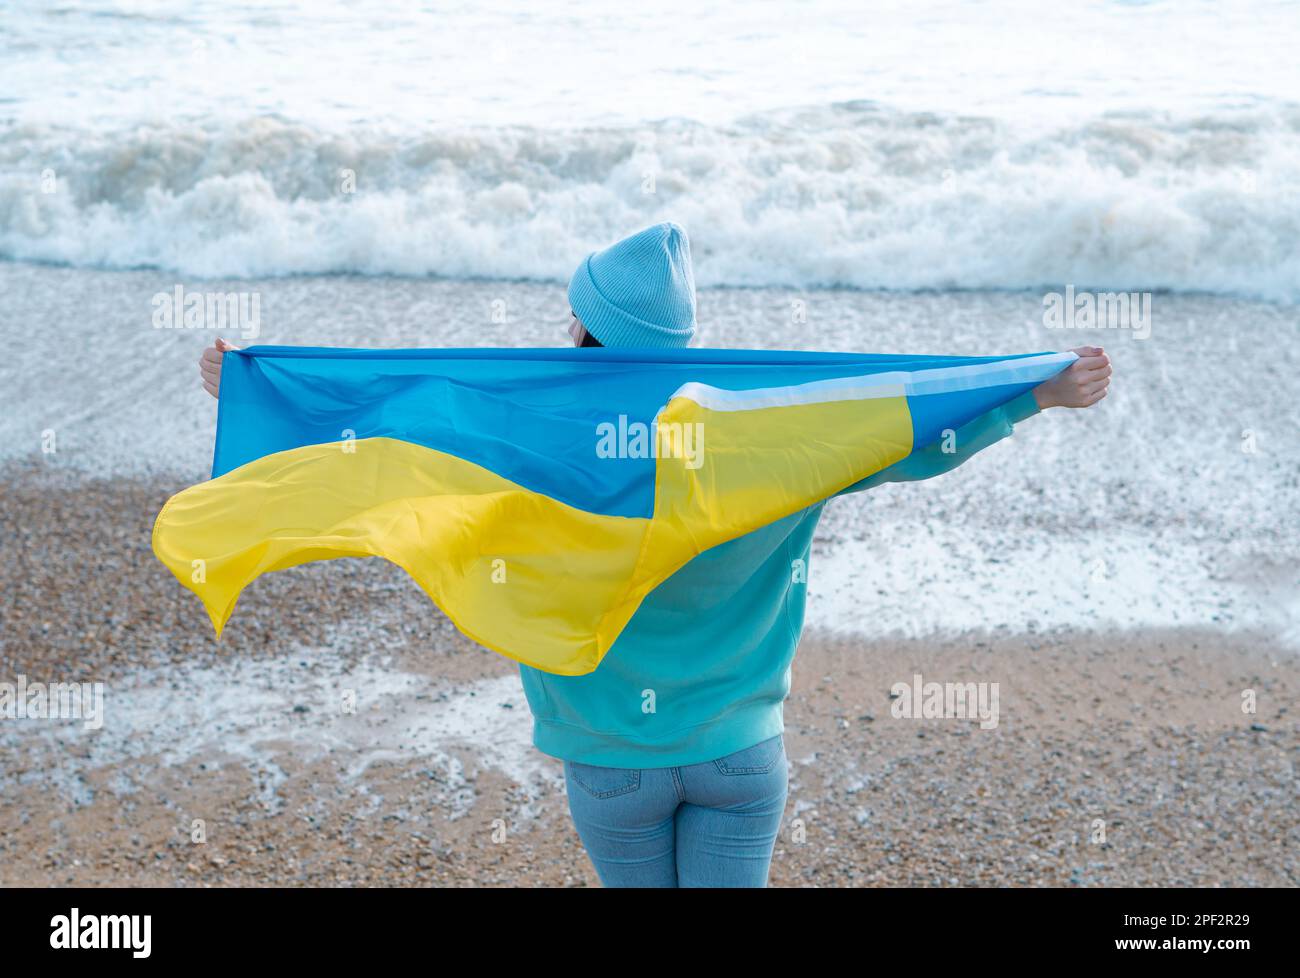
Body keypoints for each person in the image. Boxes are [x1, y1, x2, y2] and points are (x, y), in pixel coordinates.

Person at [198, 223, 1111, 887]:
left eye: (572, 320)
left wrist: (259, 397)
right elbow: (913, 429)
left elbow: (394, 436)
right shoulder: (770, 438)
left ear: (584, 333)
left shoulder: (528, 439)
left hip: (608, 760)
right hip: (739, 754)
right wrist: (1033, 393)